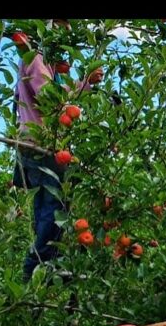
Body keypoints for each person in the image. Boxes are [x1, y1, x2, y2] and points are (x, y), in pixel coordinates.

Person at [12, 22, 102, 281]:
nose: (67, 32)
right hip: (39, 146)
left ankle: (45, 271)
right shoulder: (36, 57)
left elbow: (59, 91)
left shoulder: (50, 63)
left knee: (48, 212)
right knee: (53, 213)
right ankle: (32, 272)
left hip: (49, 148)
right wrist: (82, 84)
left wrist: (85, 83)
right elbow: (49, 96)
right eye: (61, 25)